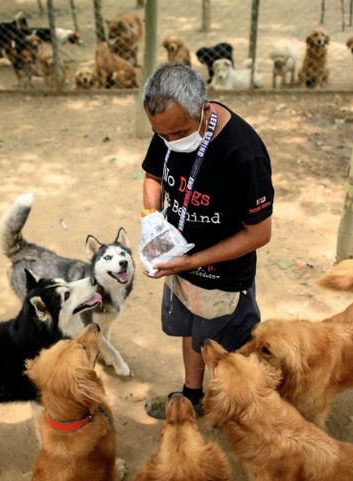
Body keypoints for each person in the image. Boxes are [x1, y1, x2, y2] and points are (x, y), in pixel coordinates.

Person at [140, 63, 274, 419]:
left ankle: (243, 413)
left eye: (178, 133)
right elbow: (153, 174)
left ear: (204, 110)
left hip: (223, 281)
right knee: (191, 332)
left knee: (227, 352)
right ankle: (192, 396)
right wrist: (152, 219)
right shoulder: (168, 126)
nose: (169, 141)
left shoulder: (243, 153)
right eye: (160, 134)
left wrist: (191, 261)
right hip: (180, 264)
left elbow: (260, 233)